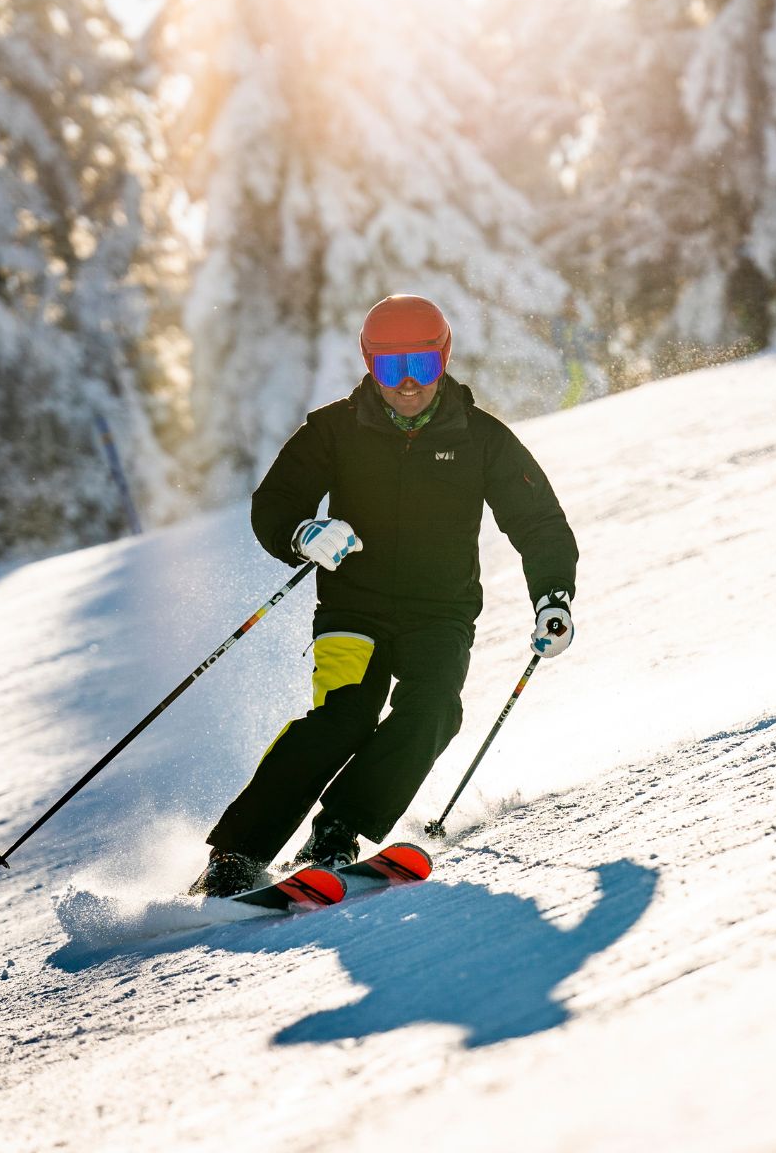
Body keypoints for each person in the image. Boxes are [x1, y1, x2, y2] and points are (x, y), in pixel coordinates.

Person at [190, 294, 579, 896]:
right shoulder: (333, 431)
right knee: (343, 719)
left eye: (420, 368)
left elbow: (538, 523)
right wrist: (303, 533)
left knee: (433, 711)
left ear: (443, 361)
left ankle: (337, 835)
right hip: (353, 610)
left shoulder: (481, 438)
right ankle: (236, 857)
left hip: (440, 615)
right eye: (389, 369)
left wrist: (553, 595)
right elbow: (275, 505)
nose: (405, 385)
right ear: (369, 364)